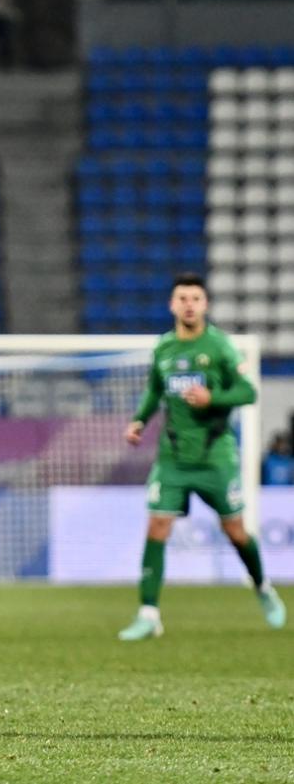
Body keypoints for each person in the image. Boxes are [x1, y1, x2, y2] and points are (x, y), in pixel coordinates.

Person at [120, 272, 285, 641]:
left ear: (205, 304)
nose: (189, 305)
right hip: (173, 458)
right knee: (157, 525)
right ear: (172, 305)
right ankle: (148, 613)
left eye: (195, 298)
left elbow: (247, 392)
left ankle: (262, 587)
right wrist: (139, 420)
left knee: (235, 531)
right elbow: (154, 391)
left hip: (215, 458)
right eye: (183, 298)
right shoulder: (164, 348)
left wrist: (214, 399)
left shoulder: (220, 347)